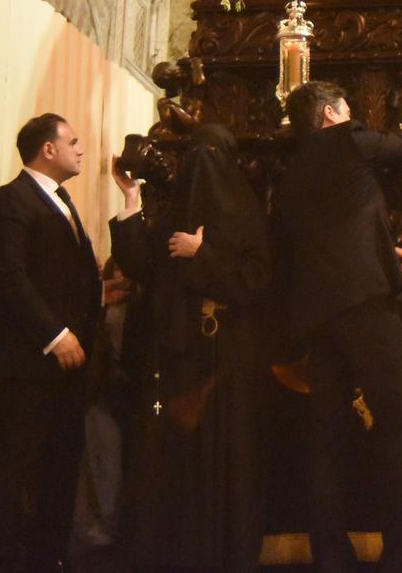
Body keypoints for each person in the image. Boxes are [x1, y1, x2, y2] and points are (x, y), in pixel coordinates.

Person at [274, 73, 402, 573]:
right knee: (397, 427)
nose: (349, 114)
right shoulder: (345, 141)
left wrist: (380, 249)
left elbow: (316, 236)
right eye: (346, 106)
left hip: (317, 316)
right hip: (365, 306)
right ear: (330, 114)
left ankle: (331, 558)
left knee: (325, 441)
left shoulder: (292, 172)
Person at [109, 125, 275, 570]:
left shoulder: (245, 213)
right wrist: (130, 202)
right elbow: (143, 263)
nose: (205, 165)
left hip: (228, 362)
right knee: (174, 460)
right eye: (196, 154)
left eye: (212, 155)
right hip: (178, 357)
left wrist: (202, 254)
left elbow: (255, 280)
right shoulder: (175, 213)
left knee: (227, 461)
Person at [0, 114, 104, 573]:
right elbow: (10, 278)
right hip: (29, 361)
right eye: (72, 142)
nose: (80, 149)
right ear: (47, 150)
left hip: (71, 363)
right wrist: (55, 335)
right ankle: (0, 561)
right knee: (15, 464)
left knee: (61, 462)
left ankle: (48, 554)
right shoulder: (12, 199)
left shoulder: (61, 199)